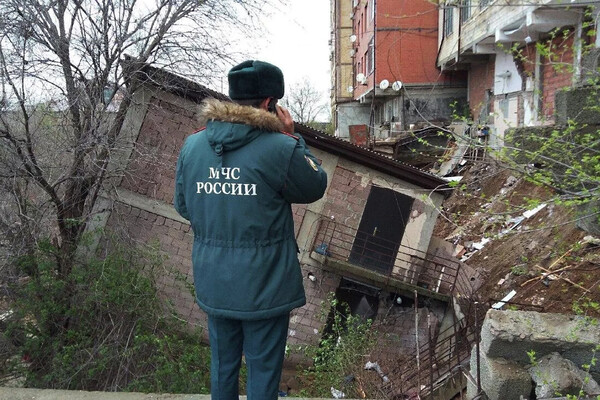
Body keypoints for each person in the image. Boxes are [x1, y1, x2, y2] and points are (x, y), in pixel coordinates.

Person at [174, 60, 328, 399]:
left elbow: (184, 206)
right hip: (265, 285)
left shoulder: (193, 146)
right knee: (263, 372)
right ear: (270, 102)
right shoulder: (281, 147)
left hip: (215, 280)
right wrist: (292, 136)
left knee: (222, 366)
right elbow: (315, 184)